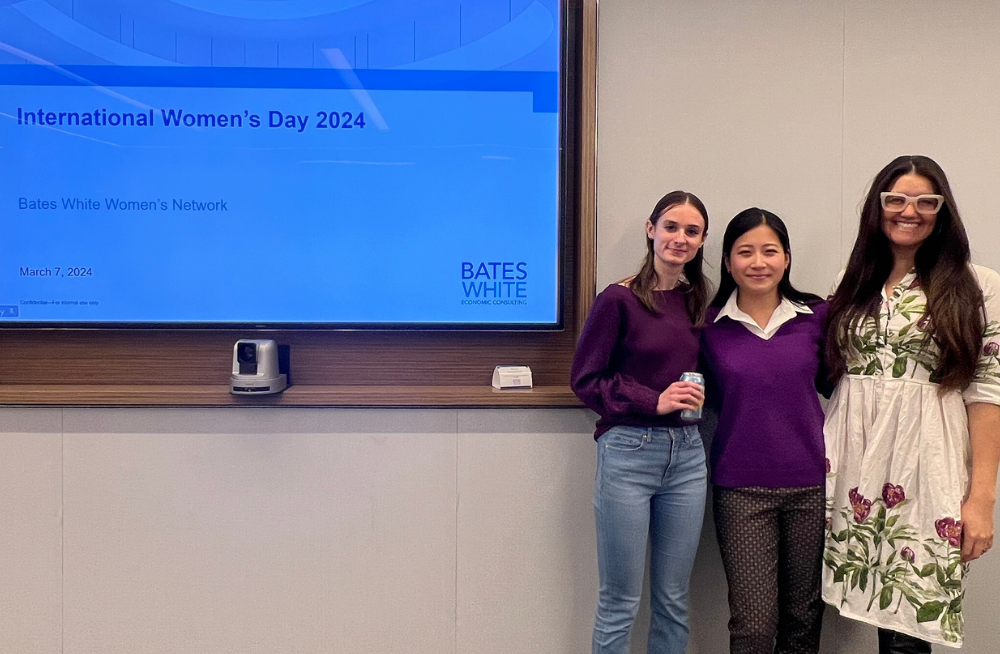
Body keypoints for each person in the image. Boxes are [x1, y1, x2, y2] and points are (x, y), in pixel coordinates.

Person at [823, 155, 1000, 652]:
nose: (910, 210)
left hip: (927, 462)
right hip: (850, 460)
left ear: (943, 211)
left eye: (926, 201)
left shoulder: (978, 285)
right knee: (853, 599)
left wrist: (982, 497)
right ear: (877, 208)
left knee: (907, 619)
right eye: (896, 199)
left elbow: (987, 392)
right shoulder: (850, 282)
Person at [571, 190, 710, 654]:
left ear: (702, 240)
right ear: (651, 230)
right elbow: (586, 380)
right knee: (620, 601)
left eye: (692, 231)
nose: (680, 238)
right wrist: (655, 400)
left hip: (688, 458)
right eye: (671, 227)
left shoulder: (699, 302)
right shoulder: (618, 299)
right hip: (628, 453)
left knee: (673, 600)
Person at [700, 209, 828, 654]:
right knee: (754, 627)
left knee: (803, 619)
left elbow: (842, 385)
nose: (759, 262)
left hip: (812, 485)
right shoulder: (708, 326)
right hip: (740, 488)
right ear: (728, 260)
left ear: (787, 258)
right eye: (745, 251)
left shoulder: (817, 316)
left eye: (770, 251)